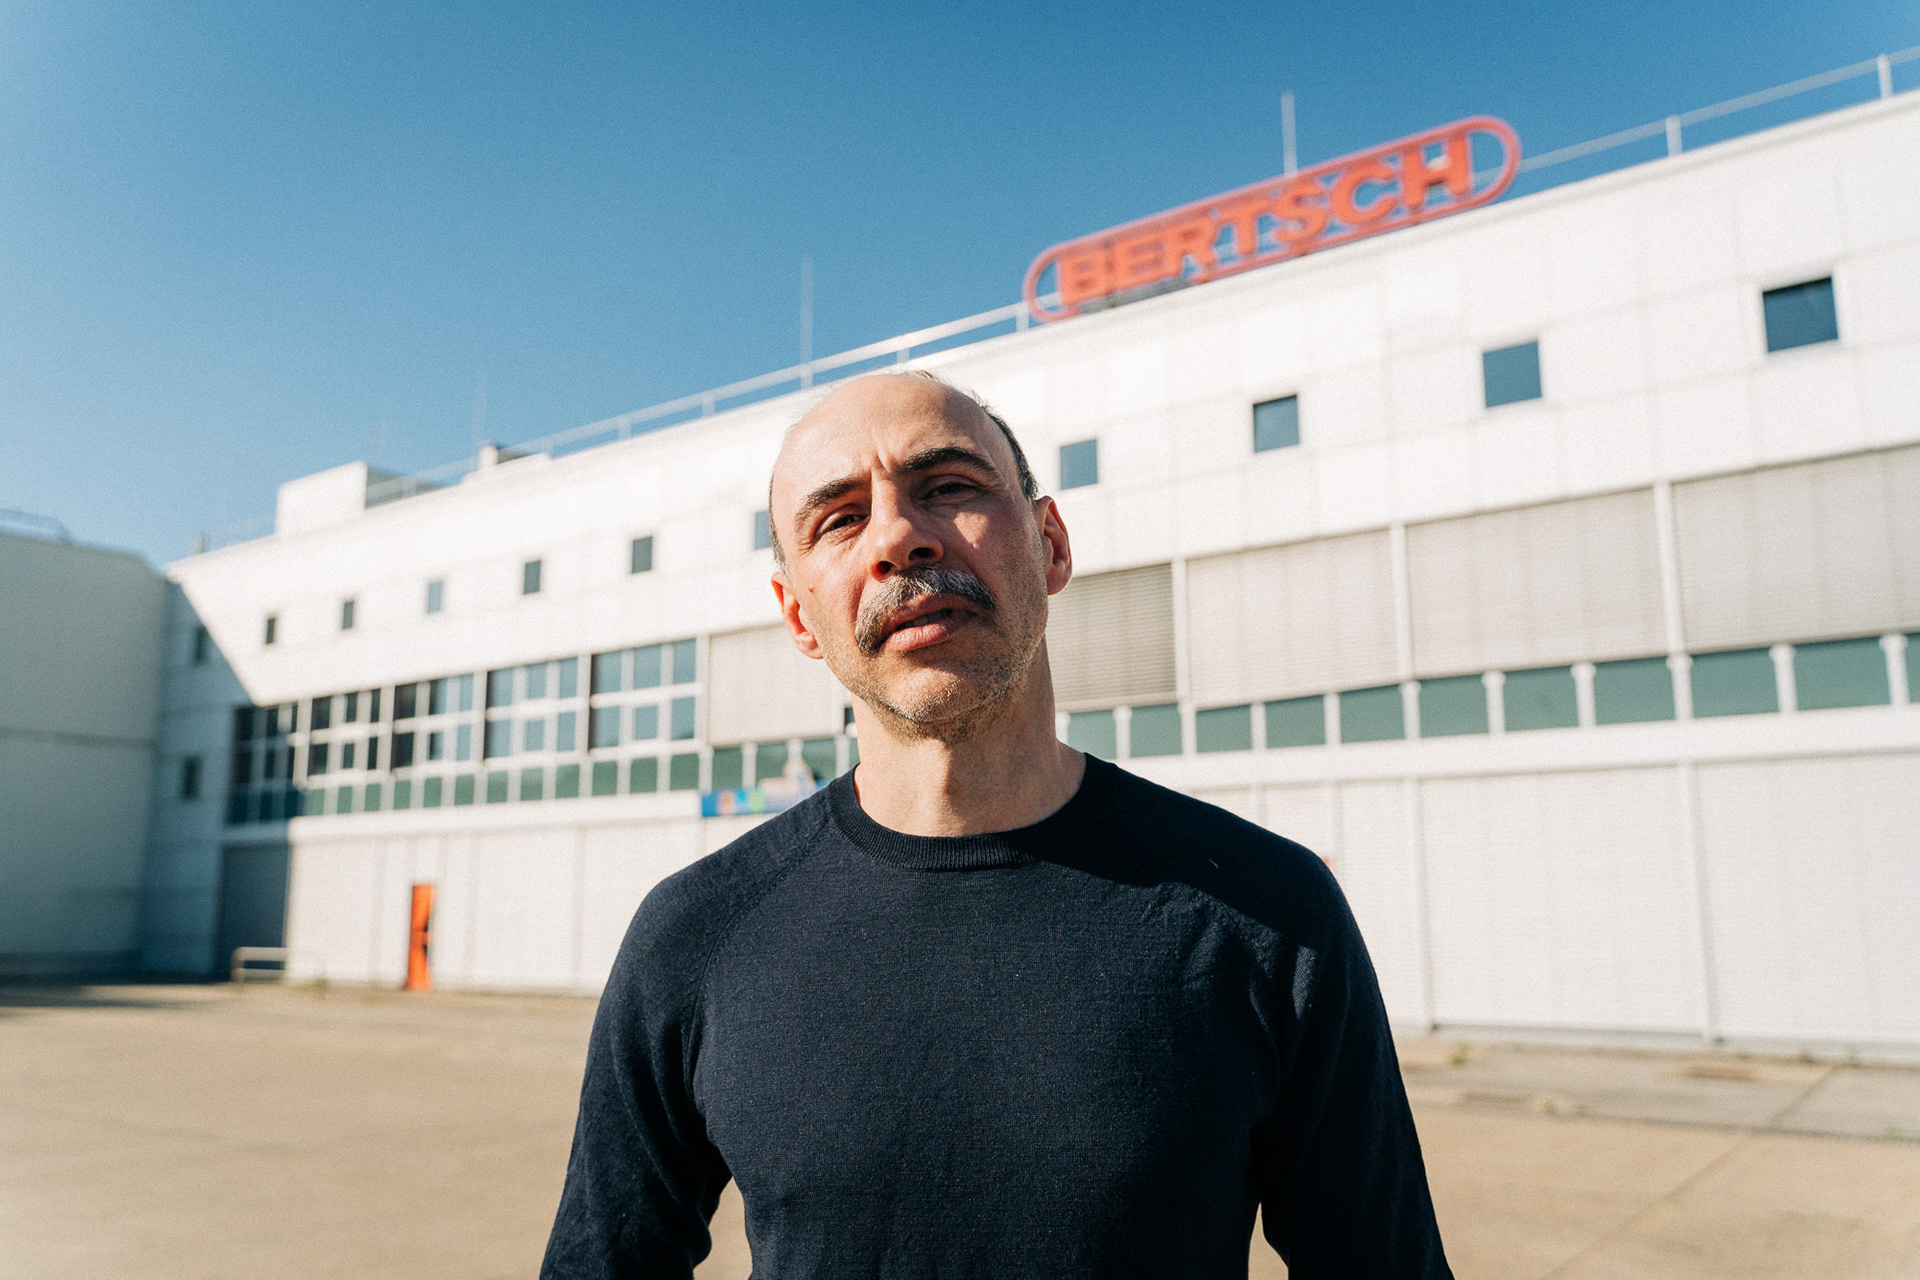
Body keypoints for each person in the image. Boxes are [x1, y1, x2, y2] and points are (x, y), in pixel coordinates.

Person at [542, 370, 1451, 1278]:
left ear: (1050, 545)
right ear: (798, 617)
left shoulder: (1269, 915)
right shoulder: (695, 935)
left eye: (949, 487)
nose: (899, 535)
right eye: (841, 519)